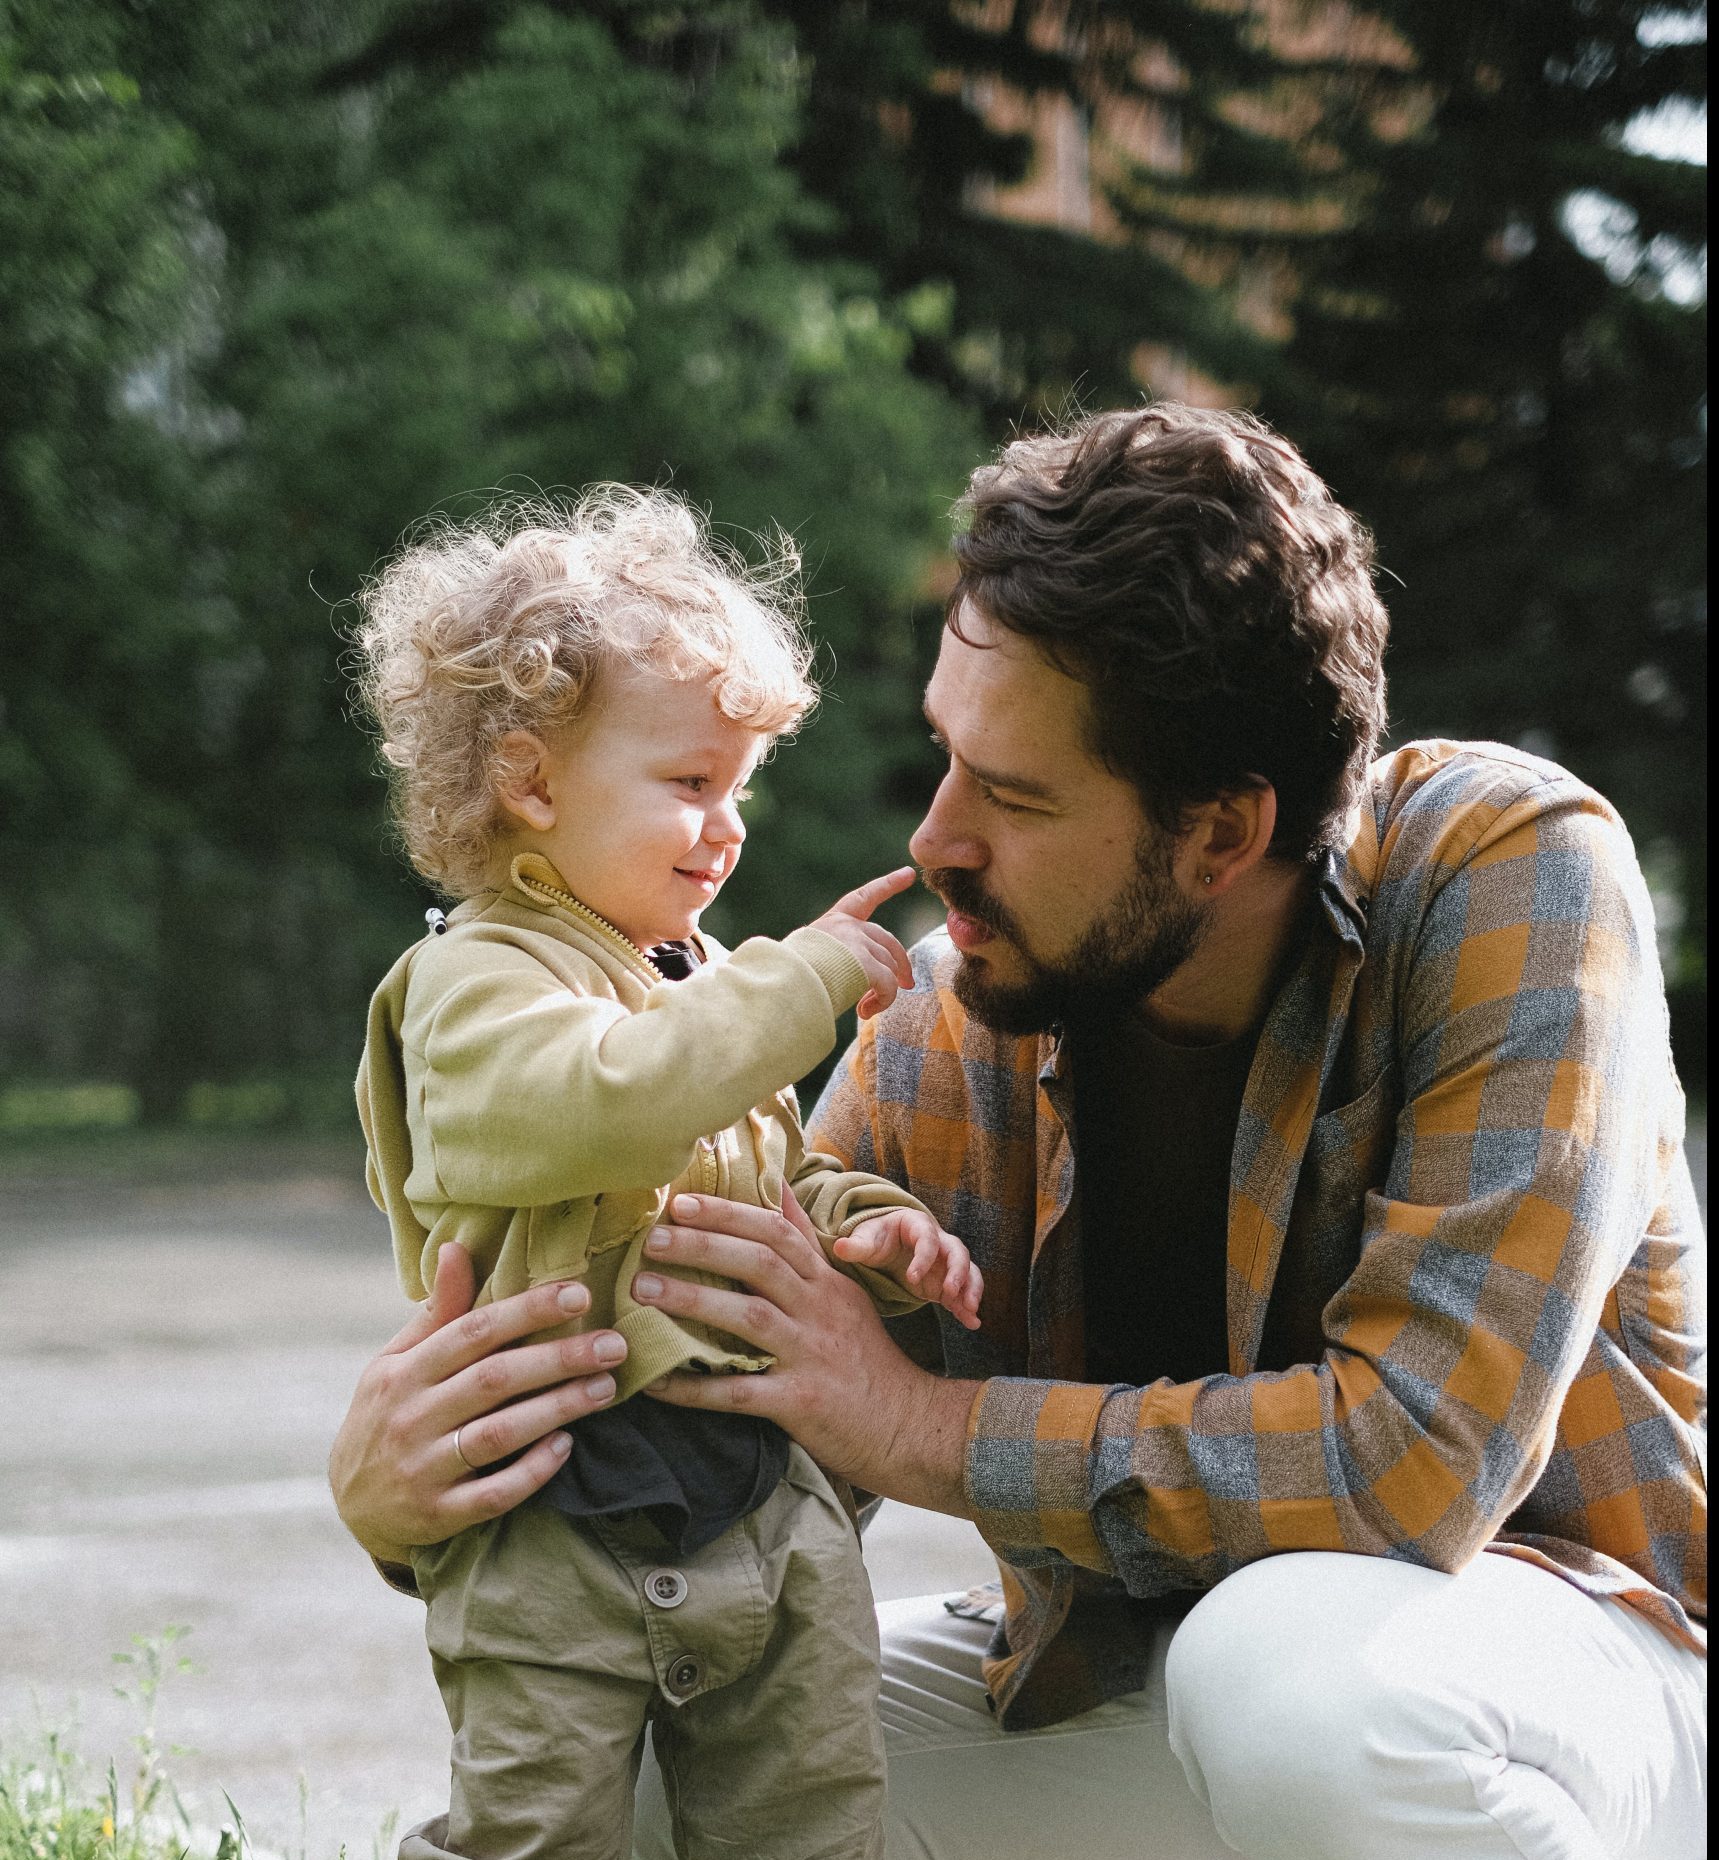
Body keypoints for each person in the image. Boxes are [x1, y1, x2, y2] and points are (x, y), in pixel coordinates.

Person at [332, 408, 1707, 1860]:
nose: (934, 839)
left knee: (1295, 1697)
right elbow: (756, 1409)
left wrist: (923, 1422)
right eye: (947, 757)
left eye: (1016, 793)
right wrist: (406, 1487)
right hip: (1139, 1675)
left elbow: (1414, 1463)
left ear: (1221, 834)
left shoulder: (1506, 870)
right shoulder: (958, 1019)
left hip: (1578, 1675)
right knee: (672, 1786)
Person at [347, 486, 983, 1860]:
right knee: (540, 1830)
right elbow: (608, 1112)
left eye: (741, 788)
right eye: (691, 784)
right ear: (531, 782)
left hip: (760, 1504)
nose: (728, 826)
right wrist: (802, 975)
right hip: (551, 1524)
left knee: (813, 1817)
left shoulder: (684, 985)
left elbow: (754, 1174)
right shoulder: (475, 986)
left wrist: (864, 1221)